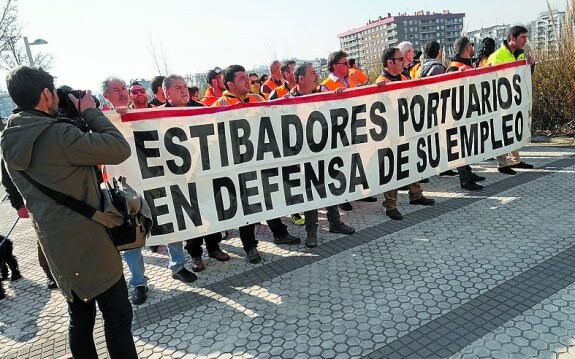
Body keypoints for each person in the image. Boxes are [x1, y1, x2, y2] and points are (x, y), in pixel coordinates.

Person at [1, 65, 138, 358]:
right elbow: (117, 148)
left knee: (80, 318)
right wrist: (89, 111)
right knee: (116, 316)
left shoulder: (10, 137)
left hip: (54, 245)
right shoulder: (59, 135)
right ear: (46, 94)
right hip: (90, 242)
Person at [212, 64, 300, 263]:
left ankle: (279, 233)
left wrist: (284, 105)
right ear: (230, 83)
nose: (248, 82)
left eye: (247, 78)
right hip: (239, 166)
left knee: (269, 198)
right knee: (247, 207)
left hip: (262, 161)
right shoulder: (219, 105)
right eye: (242, 78)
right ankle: (250, 246)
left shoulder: (258, 99)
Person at [161, 74, 231, 272]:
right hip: (180, 176)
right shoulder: (157, 116)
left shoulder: (200, 109)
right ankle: (195, 254)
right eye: (178, 88)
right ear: (167, 93)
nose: (184, 90)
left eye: (184, 86)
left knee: (211, 211)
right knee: (191, 216)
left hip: (204, 171)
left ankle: (214, 247)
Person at [288, 63, 356, 247]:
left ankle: (335, 222)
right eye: (312, 73)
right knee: (311, 193)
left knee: (329, 186)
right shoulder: (287, 100)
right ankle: (311, 231)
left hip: (324, 151)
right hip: (303, 155)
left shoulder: (322, 96)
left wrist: (340, 98)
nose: (316, 76)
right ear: (301, 79)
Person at [101, 76, 151, 304]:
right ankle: (138, 282)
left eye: (124, 89)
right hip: (121, 190)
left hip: (149, 181)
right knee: (129, 235)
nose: (122, 93)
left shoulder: (143, 116)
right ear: (105, 96)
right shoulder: (99, 121)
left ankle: (176, 265)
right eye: (116, 90)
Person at [376, 48, 436, 221]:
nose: (404, 61)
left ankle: (416, 194)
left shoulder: (404, 78)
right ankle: (390, 205)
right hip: (390, 134)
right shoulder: (380, 83)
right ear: (390, 62)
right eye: (400, 59)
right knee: (392, 168)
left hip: (407, 129)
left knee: (413, 161)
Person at [320, 50, 377, 210]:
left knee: (357, 160)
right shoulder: (326, 85)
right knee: (341, 164)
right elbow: (325, 110)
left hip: (354, 126)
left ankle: (360, 191)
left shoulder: (350, 81)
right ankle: (342, 196)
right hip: (339, 131)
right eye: (344, 64)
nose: (348, 66)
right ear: (334, 66)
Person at [487, 25, 535, 173]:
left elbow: (524, 77)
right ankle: (502, 164)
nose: (525, 41)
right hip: (500, 102)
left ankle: (515, 160)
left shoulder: (520, 54)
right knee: (502, 131)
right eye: (523, 37)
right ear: (512, 38)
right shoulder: (497, 56)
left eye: (526, 37)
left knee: (514, 129)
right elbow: (490, 79)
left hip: (515, 99)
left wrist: (530, 66)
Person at [1, 160, 53, 288]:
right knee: (43, 237)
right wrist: (18, 204)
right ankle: (50, 273)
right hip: (34, 203)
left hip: (58, 196)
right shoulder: (9, 147)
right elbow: (7, 180)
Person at [444, 36, 487, 191]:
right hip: (458, 116)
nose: (473, 48)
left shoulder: (465, 64)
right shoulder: (454, 67)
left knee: (467, 146)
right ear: (467, 48)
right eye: (472, 45)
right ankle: (465, 179)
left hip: (468, 112)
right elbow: (447, 88)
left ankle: (468, 173)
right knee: (461, 148)